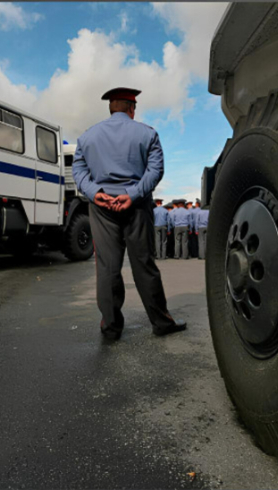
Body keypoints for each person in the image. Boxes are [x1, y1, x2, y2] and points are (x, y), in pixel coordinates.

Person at [72, 87, 186, 341]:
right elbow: (155, 170)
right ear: (132, 109)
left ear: (111, 108)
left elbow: (78, 169)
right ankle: (160, 322)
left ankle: (111, 327)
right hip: (135, 206)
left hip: (101, 208)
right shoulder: (148, 134)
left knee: (108, 267)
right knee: (144, 264)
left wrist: (95, 192)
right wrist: (132, 194)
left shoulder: (87, 137)